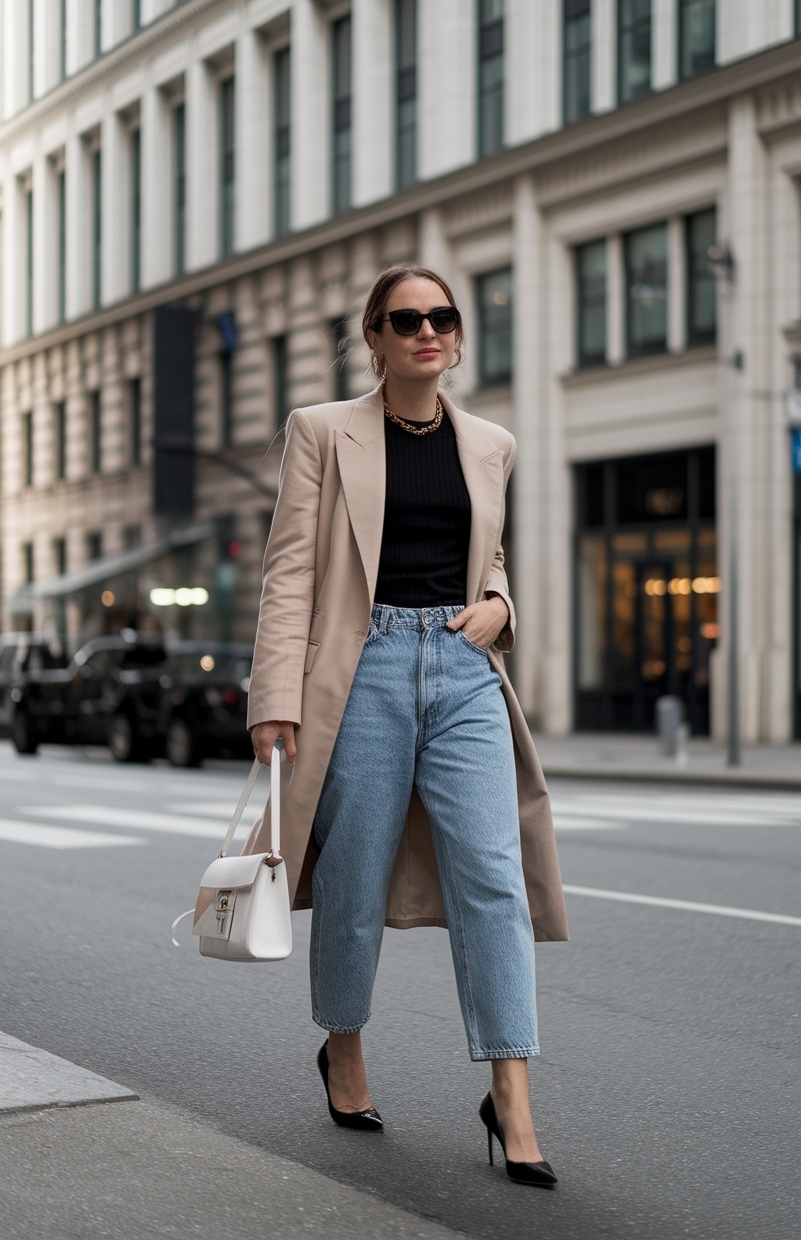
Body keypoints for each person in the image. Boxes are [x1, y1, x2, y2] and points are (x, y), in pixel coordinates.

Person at [246, 264, 568, 1188]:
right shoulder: (322, 432)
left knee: (493, 874)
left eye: (442, 317)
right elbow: (291, 574)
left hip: (465, 669)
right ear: (375, 337)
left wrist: (501, 603)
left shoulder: (493, 443)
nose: (427, 330)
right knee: (353, 874)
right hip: (365, 670)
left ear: (458, 337)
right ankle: (343, 1050)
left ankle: (510, 1093)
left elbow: (489, 553)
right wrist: (274, 699)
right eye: (405, 319)